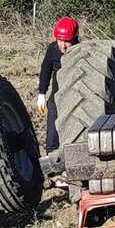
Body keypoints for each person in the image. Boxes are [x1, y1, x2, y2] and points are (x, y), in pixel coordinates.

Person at [37, 17, 79, 153]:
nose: (63, 46)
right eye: (60, 40)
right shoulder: (52, 49)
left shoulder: (81, 51)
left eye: (67, 41)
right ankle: (52, 164)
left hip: (75, 99)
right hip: (56, 99)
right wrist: (41, 93)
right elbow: (45, 70)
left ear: (75, 38)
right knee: (52, 138)